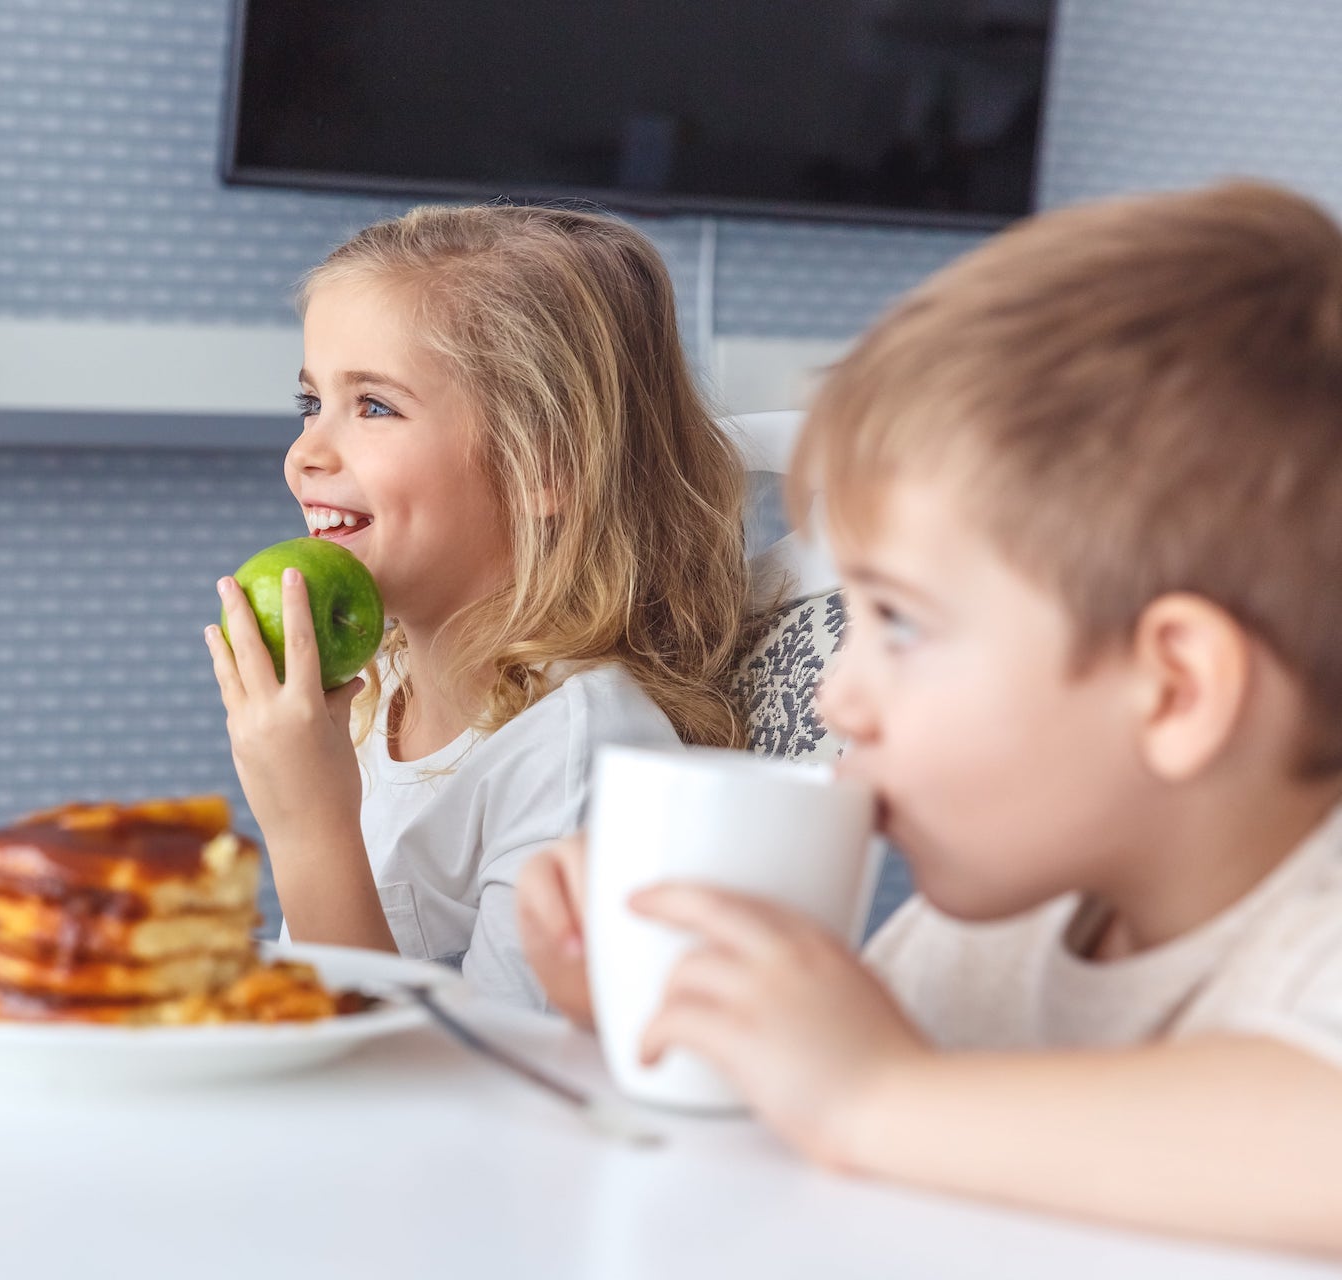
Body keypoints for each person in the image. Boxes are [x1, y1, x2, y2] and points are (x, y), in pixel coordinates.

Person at [515, 181, 1342, 1254]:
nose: (837, 693)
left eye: (898, 621)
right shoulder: (977, 930)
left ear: (1176, 689)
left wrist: (875, 1091)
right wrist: (671, 1011)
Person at [206, 204, 752, 1009]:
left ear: (543, 464)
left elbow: (478, 1094)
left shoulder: (580, 755)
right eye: (309, 404)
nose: (305, 454)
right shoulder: (376, 685)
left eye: (375, 407)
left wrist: (308, 828)